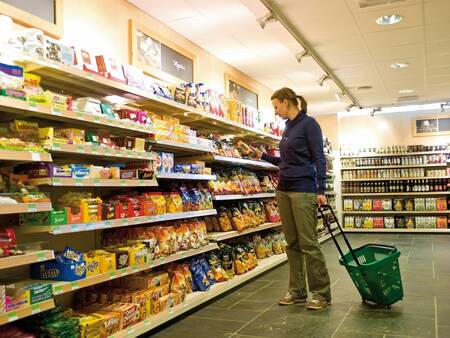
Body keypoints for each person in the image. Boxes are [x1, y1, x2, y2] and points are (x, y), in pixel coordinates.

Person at [253, 87, 331, 310]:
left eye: (276, 106)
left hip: (303, 190)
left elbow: (318, 158)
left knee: (309, 243)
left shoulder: (309, 124)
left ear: (287, 102)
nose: (276, 111)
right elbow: (285, 163)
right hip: (284, 189)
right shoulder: (287, 128)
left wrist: (321, 189)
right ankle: (297, 291)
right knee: (292, 243)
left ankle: (321, 293)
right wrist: (262, 156)